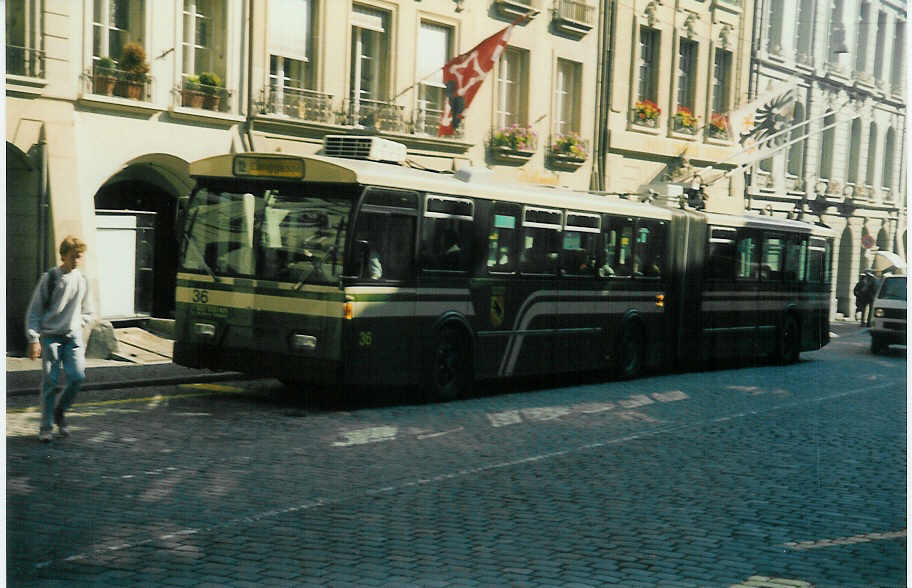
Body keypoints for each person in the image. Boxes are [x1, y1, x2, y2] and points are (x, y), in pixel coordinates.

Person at [25, 236, 95, 442]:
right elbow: (35, 311)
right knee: (50, 382)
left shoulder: (82, 280)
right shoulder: (51, 278)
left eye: (80, 257)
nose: (77, 261)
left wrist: (77, 323)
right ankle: (46, 427)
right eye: (74, 257)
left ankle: (60, 411)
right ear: (63, 256)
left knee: (78, 376)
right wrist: (33, 339)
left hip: (72, 338)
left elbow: (88, 311)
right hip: (51, 338)